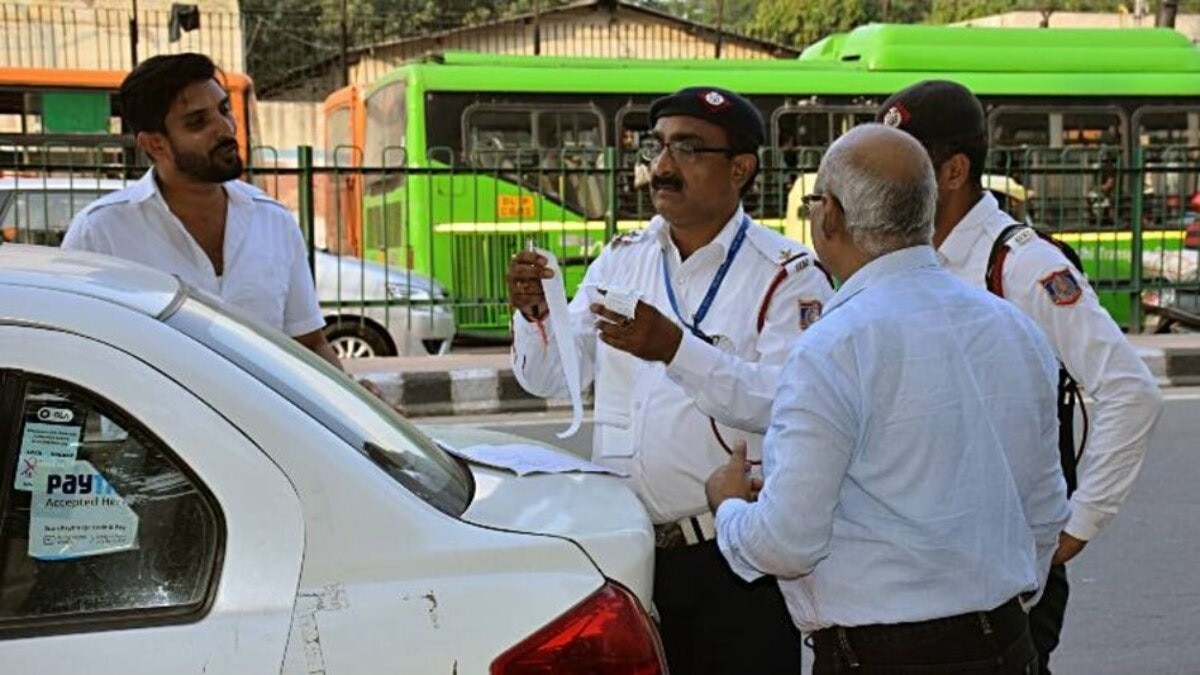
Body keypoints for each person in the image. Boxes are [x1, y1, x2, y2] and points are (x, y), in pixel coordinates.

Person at [705, 124, 1071, 673]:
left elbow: (787, 543)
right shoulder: (1013, 328)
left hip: (885, 653)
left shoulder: (834, 346)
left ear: (829, 213)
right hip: (1005, 640)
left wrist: (728, 507)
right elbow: (1044, 510)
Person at [506, 86, 833, 675]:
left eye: (687, 149)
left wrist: (677, 350)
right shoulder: (623, 257)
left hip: (728, 556)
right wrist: (536, 316)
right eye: (656, 147)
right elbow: (553, 377)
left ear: (740, 168)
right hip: (626, 553)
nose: (661, 167)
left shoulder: (787, 276)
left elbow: (789, 404)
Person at [877, 80, 1164, 673]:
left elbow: (1129, 391)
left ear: (953, 171)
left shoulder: (1020, 265)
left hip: (1009, 573)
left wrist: (1076, 527)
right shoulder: (900, 261)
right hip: (922, 562)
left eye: (900, 166)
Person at [61, 53, 341, 369]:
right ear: (155, 144)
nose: (224, 128)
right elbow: (76, 356)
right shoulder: (100, 233)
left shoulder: (273, 221)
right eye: (197, 122)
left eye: (224, 110)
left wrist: (356, 408)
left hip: (261, 419)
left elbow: (310, 344)